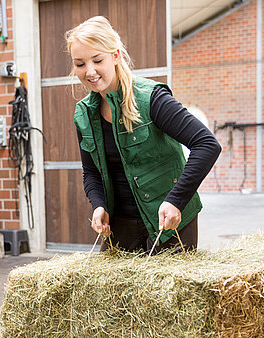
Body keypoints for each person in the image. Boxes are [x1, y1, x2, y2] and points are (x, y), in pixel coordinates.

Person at [66, 16, 221, 253]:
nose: (89, 71)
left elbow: (207, 145)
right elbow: (91, 172)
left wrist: (175, 200)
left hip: (168, 225)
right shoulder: (84, 114)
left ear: (115, 55)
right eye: (80, 64)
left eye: (98, 60)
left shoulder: (151, 98)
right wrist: (98, 205)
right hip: (120, 229)